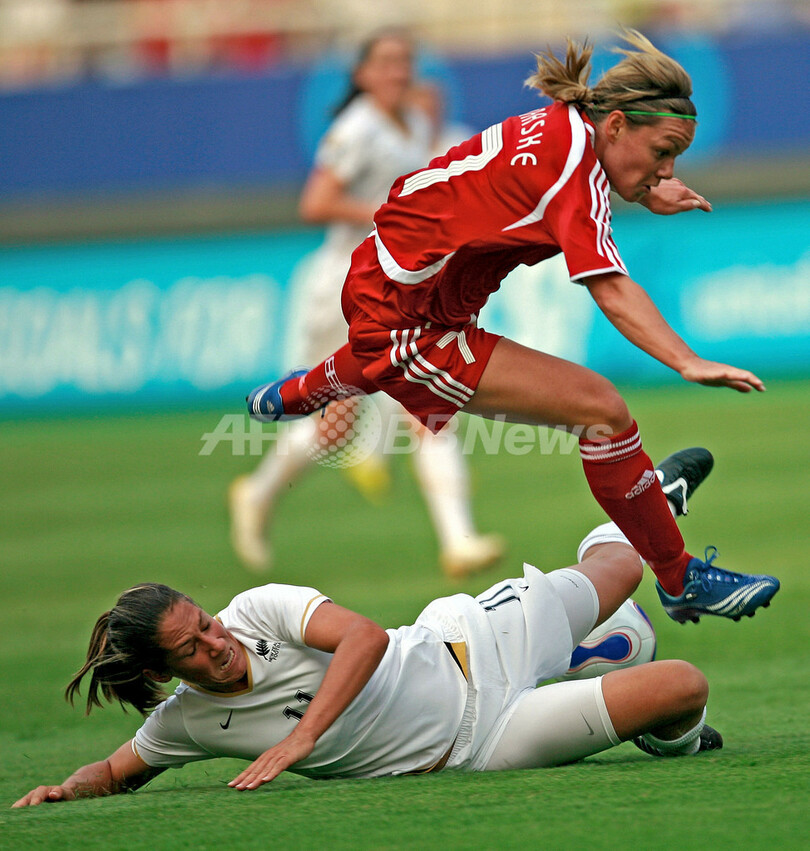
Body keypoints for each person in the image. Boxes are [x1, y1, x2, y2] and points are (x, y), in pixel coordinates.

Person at [246, 30, 779, 623]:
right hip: (410, 321)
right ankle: (679, 575)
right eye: (663, 153)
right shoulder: (573, 168)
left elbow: (549, 190)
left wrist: (643, 184)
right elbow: (610, 285)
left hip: (400, 285)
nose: (667, 168)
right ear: (619, 125)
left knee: (572, 406)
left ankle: (304, 390)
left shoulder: (567, 124)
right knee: (603, 412)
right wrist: (686, 360)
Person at [13, 448, 725, 808]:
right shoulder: (188, 722)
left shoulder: (258, 609)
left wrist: (302, 736)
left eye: (204, 621)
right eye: (191, 648)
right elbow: (117, 770)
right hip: (486, 741)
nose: (216, 641)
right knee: (683, 688)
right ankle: (660, 723)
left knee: (623, 567)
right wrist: (64, 791)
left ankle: (648, 503)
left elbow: (366, 637)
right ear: (161, 674)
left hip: (469, 642)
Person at [229, 30, 504, 579]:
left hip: (394, 286)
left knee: (426, 403)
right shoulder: (356, 129)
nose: (398, 72)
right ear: (362, 74)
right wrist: (389, 215)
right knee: (335, 421)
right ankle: (257, 492)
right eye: (386, 63)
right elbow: (317, 202)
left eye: (405, 61)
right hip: (341, 285)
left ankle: (458, 539)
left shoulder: (417, 124)